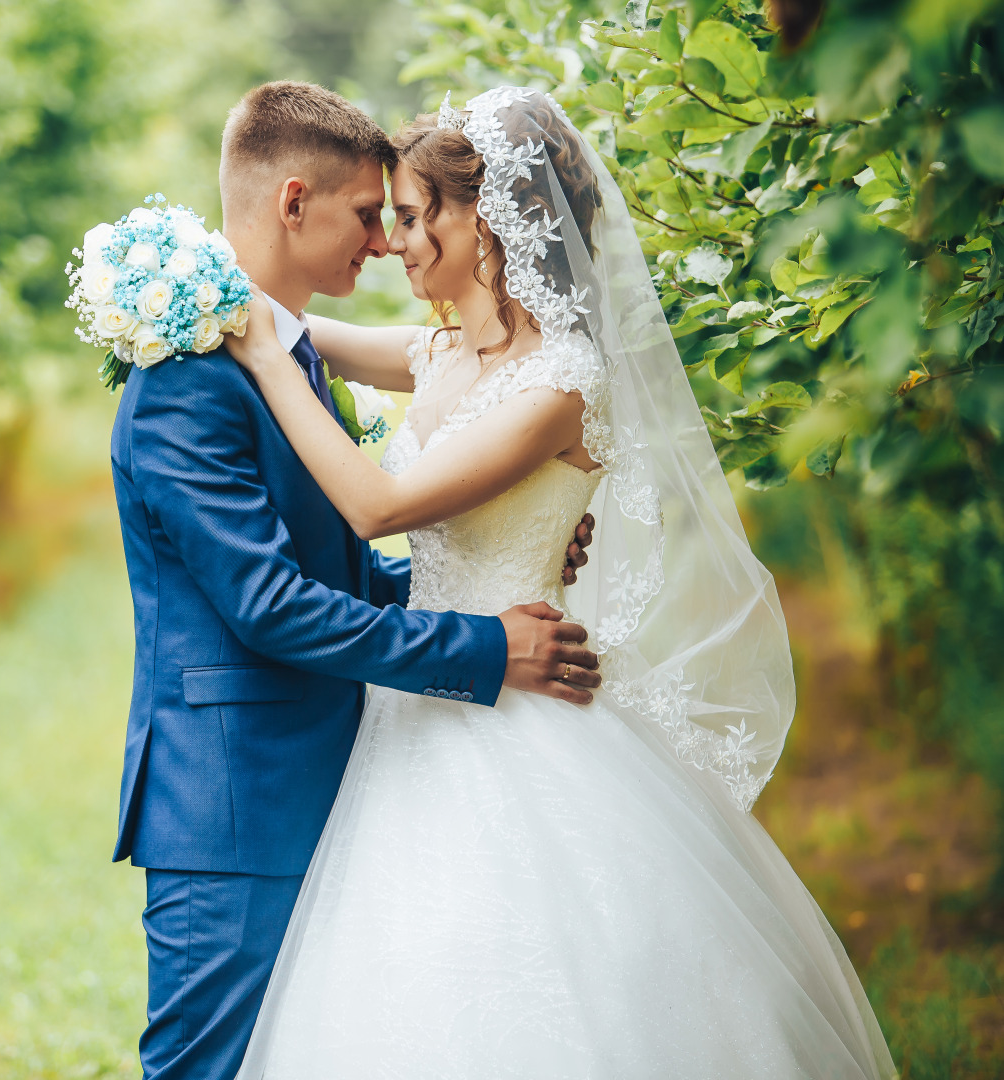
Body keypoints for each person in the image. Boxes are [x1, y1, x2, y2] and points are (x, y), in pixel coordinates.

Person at [225, 86, 896, 1078]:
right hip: (419, 700)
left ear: (483, 222)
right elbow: (291, 326)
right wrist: (183, 284)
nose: (393, 245)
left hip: (517, 708)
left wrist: (264, 358)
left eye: (410, 218)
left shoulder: (558, 384)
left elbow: (372, 504)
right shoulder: (439, 352)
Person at [107, 82, 600, 1080]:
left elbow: (327, 561)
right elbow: (271, 605)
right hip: (236, 798)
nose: (383, 244)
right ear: (294, 203)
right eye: (372, 215)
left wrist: (497, 545)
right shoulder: (190, 384)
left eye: (402, 218)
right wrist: (482, 642)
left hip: (342, 775)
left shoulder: (279, 354)